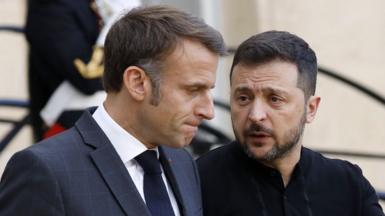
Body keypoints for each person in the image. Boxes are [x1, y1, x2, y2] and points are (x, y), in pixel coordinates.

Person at [0, 5, 226, 216]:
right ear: (137, 83)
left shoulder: (184, 164)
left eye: (209, 91)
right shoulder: (45, 170)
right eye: (193, 90)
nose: (208, 111)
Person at [197, 30, 384, 216]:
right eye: (244, 98)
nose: (255, 115)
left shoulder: (347, 184)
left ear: (310, 109)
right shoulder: (198, 182)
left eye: (275, 99)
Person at [26, 0, 140, 141]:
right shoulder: (51, 6)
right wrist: (120, 25)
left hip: (109, 116)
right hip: (69, 124)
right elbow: (88, 79)